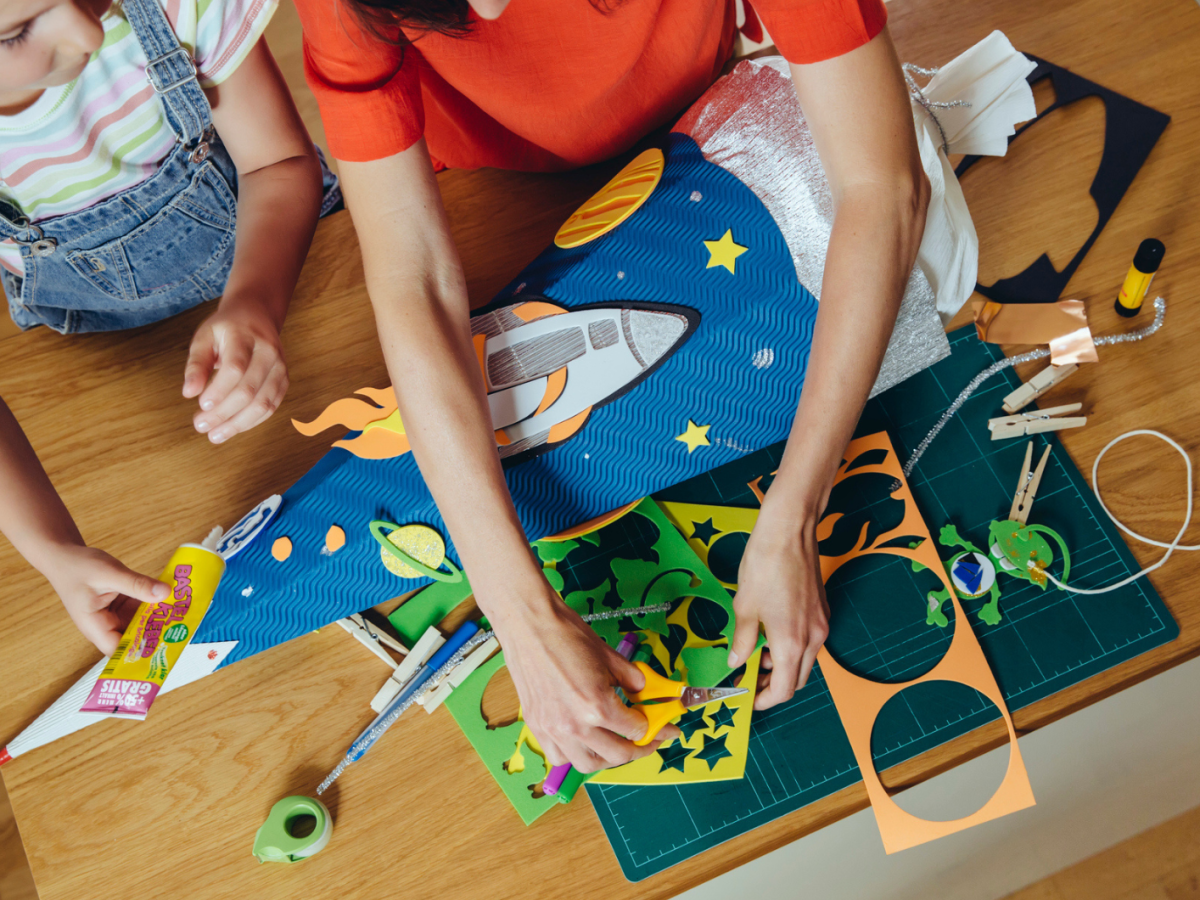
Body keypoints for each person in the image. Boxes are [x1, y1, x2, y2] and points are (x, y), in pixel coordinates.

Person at [294, 0, 930, 771]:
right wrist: (522, 620)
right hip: (486, 192)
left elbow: (883, 189)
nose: (487, 10)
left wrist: (795, 511)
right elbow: (414, 281)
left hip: (699, 122)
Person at [0, 0, 339, 652]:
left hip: (294, 268)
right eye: (17, 32)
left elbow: (277, 165)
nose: (87, 31)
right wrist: (52, 549)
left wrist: (257, 301)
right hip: (98, 358)